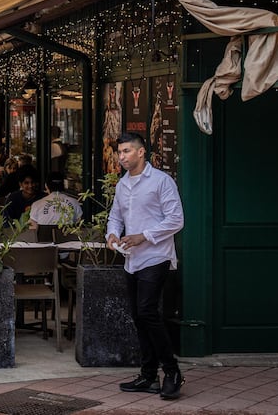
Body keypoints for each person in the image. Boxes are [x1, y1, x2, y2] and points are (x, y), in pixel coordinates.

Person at [106, 132, 185, 400]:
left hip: (156, 256)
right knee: (140, 317)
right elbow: (115, 217)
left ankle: (172, 372)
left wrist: (144, 236)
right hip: (131, 259)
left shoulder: (162, 182)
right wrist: (112, 235)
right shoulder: (122, 184)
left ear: (141, 152)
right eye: (119, 152)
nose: (122, 156)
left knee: (148, 312)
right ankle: (148, 375)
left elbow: (176, 220)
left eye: (127, 151)